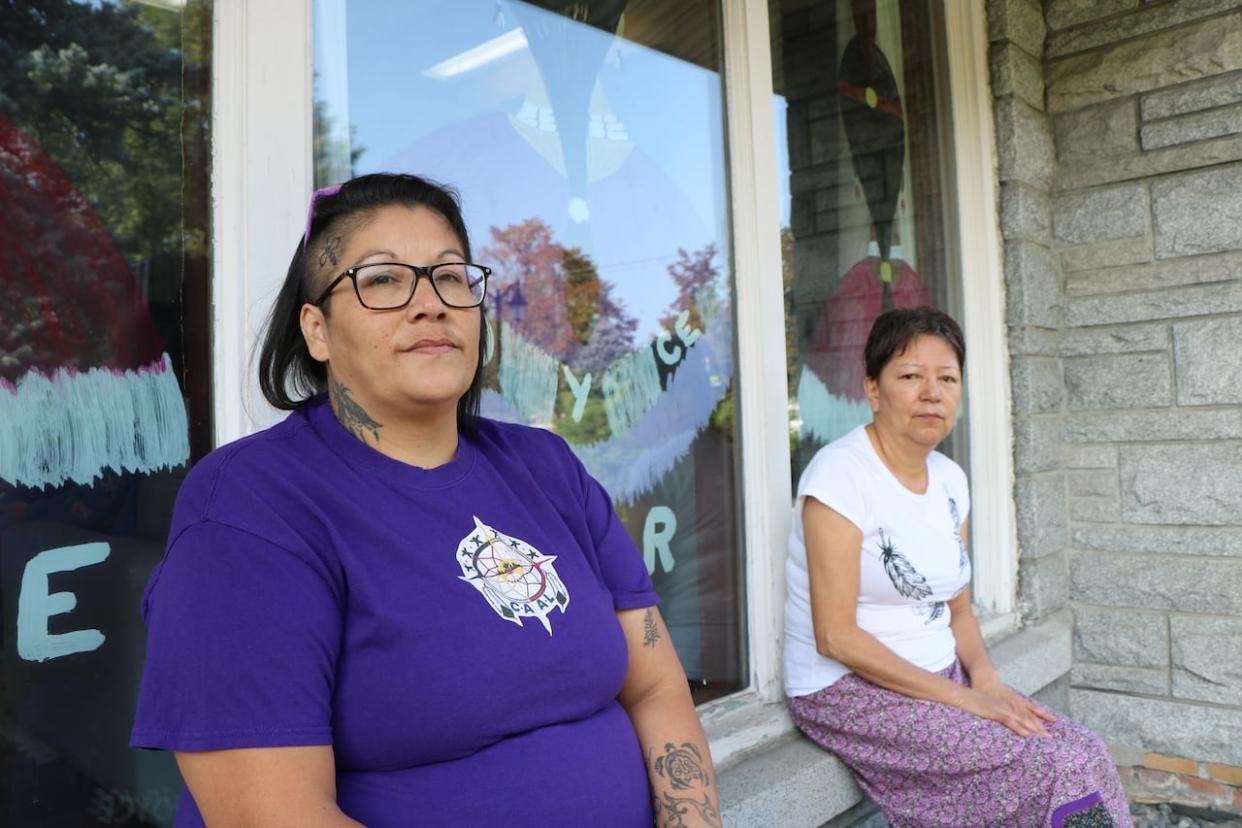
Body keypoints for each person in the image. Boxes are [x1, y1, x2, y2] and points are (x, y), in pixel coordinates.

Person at [131, 173, 721, 827]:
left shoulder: (547, 468)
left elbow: (658, 688)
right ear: (317, 330)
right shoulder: (250, 509)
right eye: (382, 280)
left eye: (449, 277)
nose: (430, 304)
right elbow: (275, 816)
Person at [784, 307, 1132, 828]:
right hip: (849, 692)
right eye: (910, 377)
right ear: (873, 391)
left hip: (939, 672)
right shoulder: (840, 476)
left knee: (1084, 748)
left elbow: (960, 610)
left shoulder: (949, 478)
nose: (932, 393)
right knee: (1049, 767)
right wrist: (966, 700)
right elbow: (836, 637)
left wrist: (987, 680)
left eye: (947, 379)